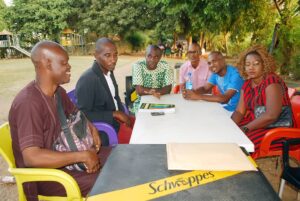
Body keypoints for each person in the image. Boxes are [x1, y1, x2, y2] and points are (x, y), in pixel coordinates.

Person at [8, 41, 109, 201]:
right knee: (111, 181)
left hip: (63, 157)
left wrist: (92, 128)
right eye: (64, 63)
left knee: (118, 156)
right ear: (47, 64)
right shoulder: (29, 103)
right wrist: (81, 156)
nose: (69, 67)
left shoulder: (57, 92)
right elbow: (32, 157)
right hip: (43, 177)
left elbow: (77, 112)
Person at [231, 45, 295, 154]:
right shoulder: (247, 84)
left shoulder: (271, 81)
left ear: (264, 65)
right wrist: (230, 126)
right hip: (256, 122)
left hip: (277, 127)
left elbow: (271, 115)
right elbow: (239, 111)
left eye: (256, 64)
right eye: (247, 64)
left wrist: (246, 128)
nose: (251, 68)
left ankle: (247, 169)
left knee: (243, 143)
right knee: (231, 136)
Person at [75, 38, 134, 145]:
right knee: (140, 141)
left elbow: (115, 98)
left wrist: (123, 114)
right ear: (96, 55)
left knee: (145, 126)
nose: (113, 59)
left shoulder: (109, 71)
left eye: (115, 55)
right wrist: (113, 114)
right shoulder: (88, 79)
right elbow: (82, 115)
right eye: (107, 55)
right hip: (106, 129)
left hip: (119, 122)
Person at [132, 45, 173, 113]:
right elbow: (139, 90)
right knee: (145, 120)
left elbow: (168, 88)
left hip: (161, 100)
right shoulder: (138, 66)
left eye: (156, 57)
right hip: (142, 102)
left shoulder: (166, 66)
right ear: (145, 56)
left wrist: (149, 91)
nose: (152, 60)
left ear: (160, 58)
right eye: (149, 56)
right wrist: (157, 92)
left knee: (166, 119)